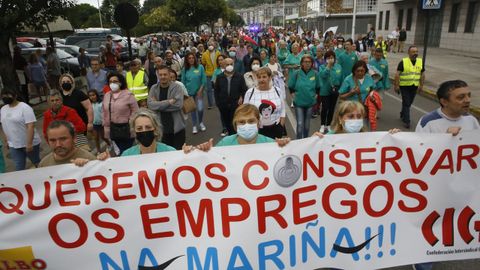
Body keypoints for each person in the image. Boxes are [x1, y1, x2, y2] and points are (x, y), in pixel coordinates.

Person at [413, 80, 478, 270]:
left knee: (454, 226)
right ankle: (423, 262)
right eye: (460, 97)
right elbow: (416, 157)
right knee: (430, 226)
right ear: (444, 101)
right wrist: (443, 141)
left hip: (463, 188)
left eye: (468, 95)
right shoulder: (428, 122)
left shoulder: (472, 121)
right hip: (435, 190)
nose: (466, 100)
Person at [183, 104, 290, 151]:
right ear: (235, 125)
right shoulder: (225, 143)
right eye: (242, 122)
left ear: (258, 123)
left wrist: (285, 147)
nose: (246, 125)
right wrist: (202, 150)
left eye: (251, 121)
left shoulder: (271, 144)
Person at [0, 89, 41, 171]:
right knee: (19, 167)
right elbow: (4, 125)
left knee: (37, 163)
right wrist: (7, 140)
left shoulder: (24, 107)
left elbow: (30, 126)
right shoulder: (3, 109)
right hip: (13, 145)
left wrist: (29, 143)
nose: (5, 97)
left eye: (8, 95)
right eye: (3, 95)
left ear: (15, 95)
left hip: (29, 144)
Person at [148, 66, 185, 150]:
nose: (163, 77)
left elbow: (178, 105)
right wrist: (169, 102)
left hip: (177, 129)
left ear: (169, 75)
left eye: (165, 74)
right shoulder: (154, 88)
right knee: (165, 155)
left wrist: (158, 105)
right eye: (160, 75)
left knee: (178, 154)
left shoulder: (177, 87)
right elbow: (150, 105)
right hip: (161, 130)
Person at [102, 72, 139, 155]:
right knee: (119, 151)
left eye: (115, 81)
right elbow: (104, 111)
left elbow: (136, 112)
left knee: (125, 152)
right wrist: (105, 125)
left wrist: (131, 122)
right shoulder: (107, 95)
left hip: (127, 129)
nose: (112, 84)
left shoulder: (128, 95)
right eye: (110, 82)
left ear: (120, 82)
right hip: (113, 129)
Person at [288, 54, 320, 139]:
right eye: (305, 62)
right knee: (300, 124)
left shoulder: (315, 74)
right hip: (299, 103)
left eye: (309, 62)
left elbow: (318, 87)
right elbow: (290, 86)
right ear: (302, 63)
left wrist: (316, 96)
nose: (307, 64)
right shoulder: (296, 73)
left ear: (312, 63)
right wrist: (293, 95)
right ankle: (299, 142)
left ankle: (305, 141)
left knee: (306, 126)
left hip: (310, 103)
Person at [215, 57, 248, 137]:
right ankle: (230, 136)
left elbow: (244, 90)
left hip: (236, 105)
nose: (229, 66)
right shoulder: (219, 77)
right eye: (227, 64)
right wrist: (218, 104)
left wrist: (241, 97)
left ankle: (236, 137)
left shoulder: (239, 76)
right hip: (224, 105)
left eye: (231, 64)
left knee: (236, 123)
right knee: (227, 123)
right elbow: (216, 91)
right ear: (223, 65)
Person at [394, 45, 425, 129]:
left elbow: (422, 74)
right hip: (404, 86)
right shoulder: (403, 62)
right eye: (413, 52)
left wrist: (421, 85)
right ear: (408, 53)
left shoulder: (420, 61)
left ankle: (402, 113)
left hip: (414, 86)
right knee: (407, 103)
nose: (415, 53)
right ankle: (407, 121)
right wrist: (396, 85)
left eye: (416, 52)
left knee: (408, 103)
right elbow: (397, 75)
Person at [181, 52, 207, 134]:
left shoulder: (200, 67)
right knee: (192, 110)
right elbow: (183, 82)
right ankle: (194, 125)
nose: (191, 59)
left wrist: (200, 90)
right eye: (189, 58)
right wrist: (185, 93)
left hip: (199, 92)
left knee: (200, 108)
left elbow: (204, 80)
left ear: (195, 58)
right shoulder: (185, 69)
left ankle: (200, 122)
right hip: (189, 93)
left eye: (192, 58)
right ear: (187, 60)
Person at [318, 50, 343, 134]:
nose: (330, 59)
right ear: (325, 59)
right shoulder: (322, 67)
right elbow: (323, 75)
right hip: (325, 90)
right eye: (328, 58)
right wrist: (328, 66)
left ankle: (328, 124)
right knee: (325, 108)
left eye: (332, 58)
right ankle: (322, 124)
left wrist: (340, 89)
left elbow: (341, 78)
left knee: (332, 108)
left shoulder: (338, 67)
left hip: (335, 91)